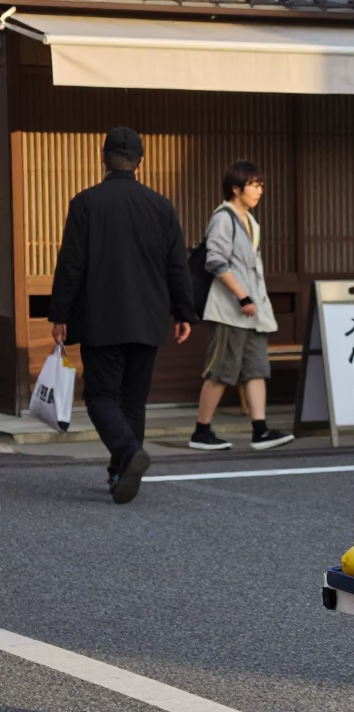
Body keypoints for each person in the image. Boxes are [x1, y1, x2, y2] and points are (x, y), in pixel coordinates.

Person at [49, 127, 196, 504]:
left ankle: (128, 455)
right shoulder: (161, 206)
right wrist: (184, 312)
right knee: (132, 400)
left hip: (101, 318)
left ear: (103, 159)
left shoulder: (86, 203)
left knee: (100, 397)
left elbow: (71, 264)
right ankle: (121, 472)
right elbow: (177, 265)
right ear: (140, 163)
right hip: (147, 318)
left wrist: (59, 312)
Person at [189, 161, 294, 452]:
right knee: (221, 370)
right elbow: (216, 262)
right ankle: (201, 430)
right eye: (254, 185)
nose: (260, 190)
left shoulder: (249, 219)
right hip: (230, 311)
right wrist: (241, 296)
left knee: (256, 369)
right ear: (236, 187)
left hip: (253, 312)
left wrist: (253, 301)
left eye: (261, 185)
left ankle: (260, 430)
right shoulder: (223, 217)